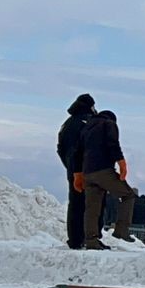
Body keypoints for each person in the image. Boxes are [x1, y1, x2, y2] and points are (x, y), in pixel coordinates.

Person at [79, 110, 137, 247]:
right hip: (103, 170)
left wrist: (79, 174)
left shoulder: (86, 128)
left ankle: (91, 240)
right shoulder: (109, 124)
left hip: (87, 172)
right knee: (128, 195)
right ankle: (121, 230)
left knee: (92, 208)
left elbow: (78, 151)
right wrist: (121, 163)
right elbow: (113, 144)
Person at [57, 94, 98, 249]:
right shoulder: (87, 123)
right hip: (88, 169)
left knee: (75, 204)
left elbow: (60, 148)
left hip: (73, 170)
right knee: (92, 204)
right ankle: (90, 238)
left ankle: (74, 239)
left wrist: (70, 167)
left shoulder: (67, 124)